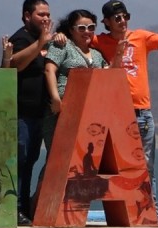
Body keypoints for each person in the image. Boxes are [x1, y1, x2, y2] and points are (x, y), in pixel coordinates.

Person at [94, 0, 158, 225]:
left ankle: (150, 209)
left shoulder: (141, 37)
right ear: (107, 22)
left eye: (125, 16)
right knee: (116, 165)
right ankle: (126, 209)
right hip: (116, 114)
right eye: (116, 18)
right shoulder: (100, 41)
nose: (122, 21)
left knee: (146, 164)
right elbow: (77, 39)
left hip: (141, 113)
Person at [9, 0, 53, 225]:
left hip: (38, 114)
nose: (46, 19)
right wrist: (39, 45)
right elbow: (15, 64)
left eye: (48, 15)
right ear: (27, 16)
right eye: (41, 15)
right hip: (20, 114)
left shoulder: (44, 41)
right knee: (19, 160)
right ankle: (14, 207)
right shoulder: (20, 38)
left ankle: (24, 206)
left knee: (30, 161)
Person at [42, 9, 108, 155]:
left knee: (79, 160)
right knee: (57, 158)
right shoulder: (62, 45)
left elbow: (108, 76)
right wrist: (55, 99)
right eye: (81, 28)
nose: (87, 32)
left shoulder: (97, 55)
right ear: (71, 30)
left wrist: (119, 54)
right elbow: (49, 70)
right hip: (62, 112)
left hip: (89, 114)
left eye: (91, 28)